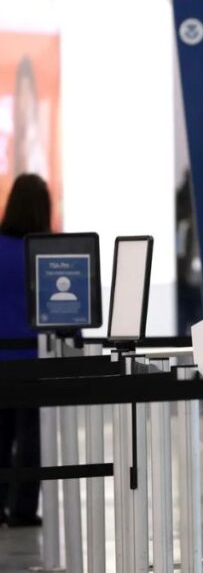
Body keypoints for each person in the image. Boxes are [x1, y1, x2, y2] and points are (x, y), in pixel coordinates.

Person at [0, 173, 51, 527]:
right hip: (36, 362)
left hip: (1, 361)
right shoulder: (48, 254)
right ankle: (23, 510)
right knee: (32, 439)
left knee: (0, 437)